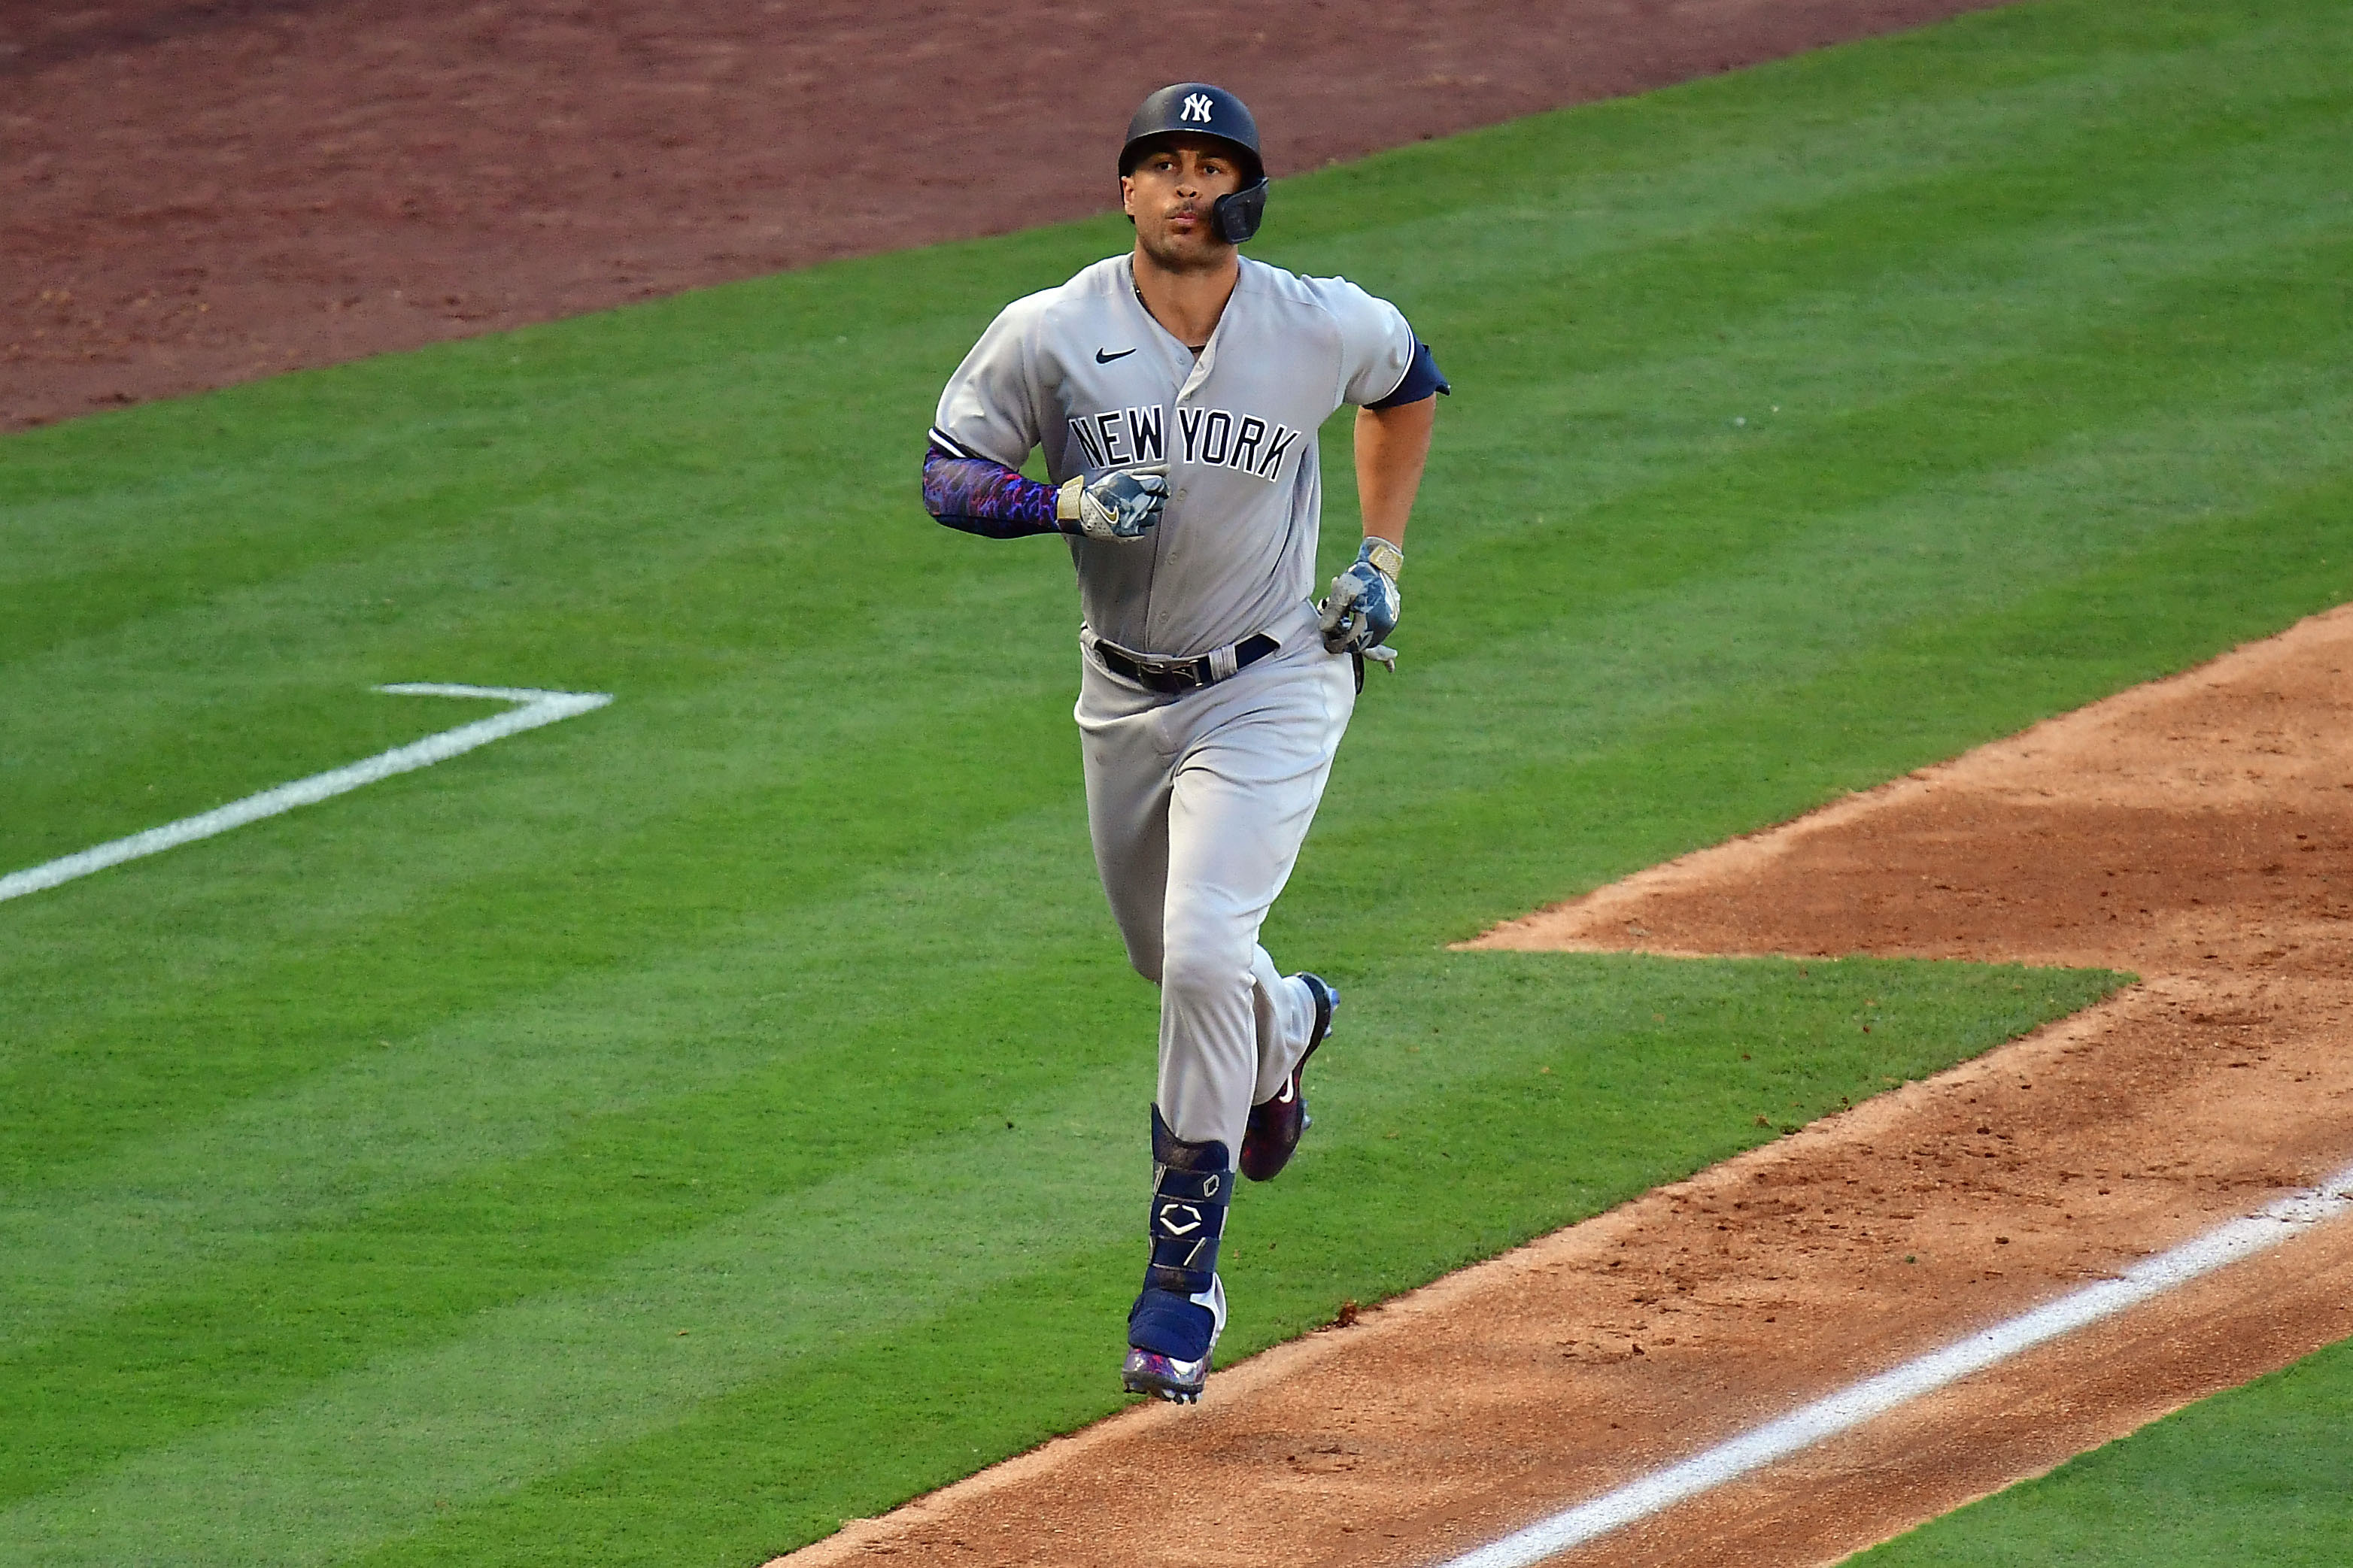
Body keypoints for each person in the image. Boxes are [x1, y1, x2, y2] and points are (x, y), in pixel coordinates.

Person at [921, 82, 1446, 1403]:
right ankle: (1289, 1027)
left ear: (1247, 191)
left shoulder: (1316, 321)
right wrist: (1059, 500)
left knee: (1204, 947)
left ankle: (1183, 1280)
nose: (1185, 186)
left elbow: (1409, 378)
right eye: (1162, 165)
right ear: (1126, 192)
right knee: (1182, 969)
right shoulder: (1051, 330)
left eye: (1212, 165)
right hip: (1121, 700)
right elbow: (945, 468)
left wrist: (1381, 556)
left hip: (1276, 681)